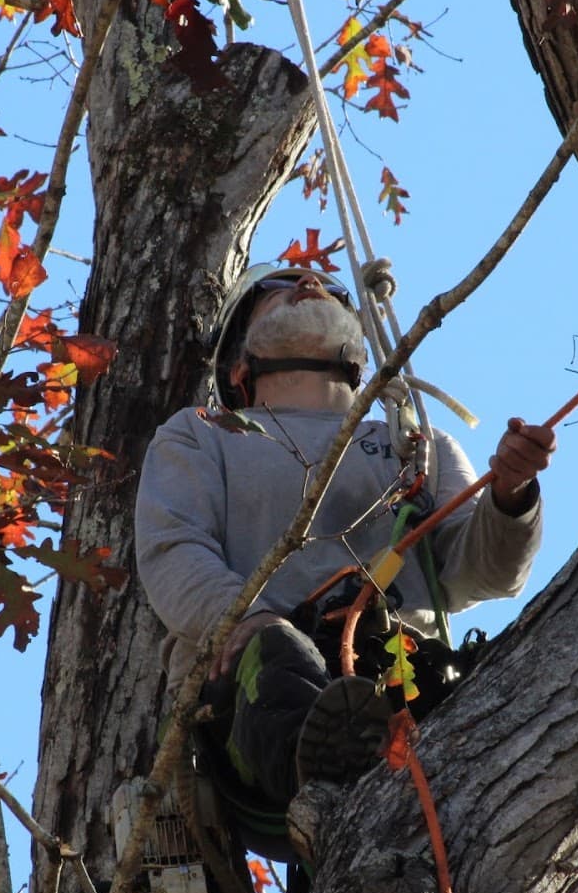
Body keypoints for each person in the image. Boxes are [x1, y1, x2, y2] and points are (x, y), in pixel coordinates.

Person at [134, 265, 554, 813]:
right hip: (256, 698)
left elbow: (485, 573)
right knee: (282, 653)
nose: (310, 284)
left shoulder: (417, 445)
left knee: (480, 672)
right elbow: (174, 549)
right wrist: (245, 619)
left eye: (331, 291)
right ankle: (323, 792)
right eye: (277, 289)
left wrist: (511, 495)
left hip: (403, 681)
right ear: (240, 365)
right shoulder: (203, 435)